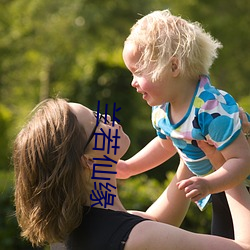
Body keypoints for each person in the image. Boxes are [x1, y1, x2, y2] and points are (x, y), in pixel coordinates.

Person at [13, 98, 250, 250]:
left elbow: (155, 221)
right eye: (96, 120)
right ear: (89, 161)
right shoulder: (137, 238)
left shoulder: (74, 232)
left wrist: (190, 138)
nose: (106, 116)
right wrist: (226, 166)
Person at [119, 9, 250, 238]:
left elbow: (242, 160)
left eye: (138, 72)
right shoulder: (162, 110)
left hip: (239, 185)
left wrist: (209, 184)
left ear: (173, 67)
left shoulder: (211, 109)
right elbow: (166, 145)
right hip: (220, 188)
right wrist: (130, 167)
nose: (133, 83)